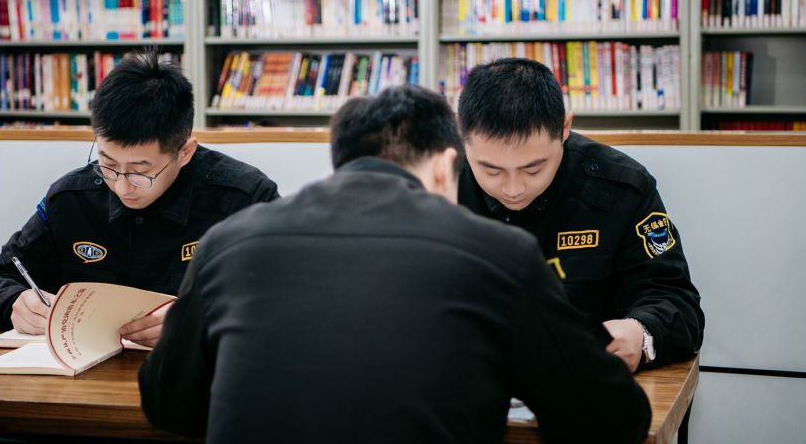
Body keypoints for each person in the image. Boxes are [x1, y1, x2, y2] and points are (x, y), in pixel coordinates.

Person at [138, 85, 651, 444]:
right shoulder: (500, 253)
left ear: (339, 162)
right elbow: (609, 419)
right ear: (446, 166)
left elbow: (167, 405)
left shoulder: (225, 244)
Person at [0, 50, 279, 347]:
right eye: (109, 164)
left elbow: (288, 295)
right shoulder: (71, 200)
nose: (122, 186)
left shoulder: (246, 200)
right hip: (87, 374)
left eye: (141, 172)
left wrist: (205, 318)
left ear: (185, 152)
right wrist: (14, 303)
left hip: (199, 376)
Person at [456, 57, 704, 371]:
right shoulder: (434, 188)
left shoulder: (621, 189)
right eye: (491, 171)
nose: (513, 189)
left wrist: (640, 334)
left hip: (583, 381)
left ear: (564, 128)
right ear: (461, 135)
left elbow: (676, 300)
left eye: (533, 169)